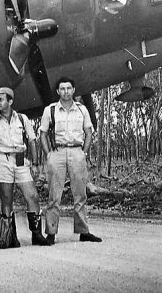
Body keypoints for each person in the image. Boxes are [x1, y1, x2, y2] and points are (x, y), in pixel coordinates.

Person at [0, 87, 50, 247]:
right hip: (2, 159)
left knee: (32, 196)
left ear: (10, 101)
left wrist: (34, 163)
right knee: (7, 198)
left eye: (1, 99)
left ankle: (37, 234)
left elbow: (32, 140)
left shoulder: (22, 118)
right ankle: (8, 236)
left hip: (20, 160)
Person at [39, 77, 102, 244]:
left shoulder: (82, 110)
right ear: (58, 91)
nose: (66, 91)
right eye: (62, 88)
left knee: (80, 194)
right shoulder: (50, 110)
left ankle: (83, 231)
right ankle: (51, 233)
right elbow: (43, 134)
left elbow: (89, 132)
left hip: (77, 152)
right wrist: (48, 154)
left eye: (69, 88)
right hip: (57, 152)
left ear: (74, 90)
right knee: (54, 195)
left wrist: (84, 153)